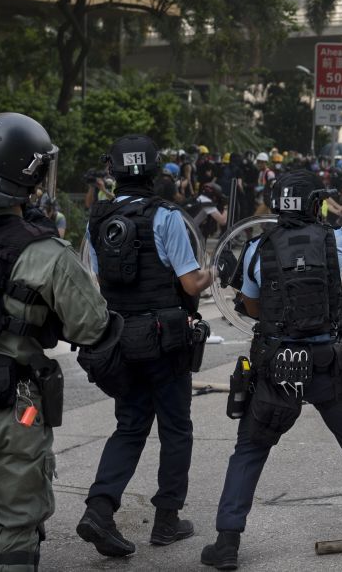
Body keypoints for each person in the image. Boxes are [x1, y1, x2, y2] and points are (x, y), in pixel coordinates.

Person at [202, 171, 342, 570]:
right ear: (313, 204)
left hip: (277, 367)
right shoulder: (334, 240)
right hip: (327, 362)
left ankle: (227, 543)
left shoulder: (258, 248)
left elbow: (250, 307)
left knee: (250, 450)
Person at [0, 112, 119, 571]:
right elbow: (93, 328)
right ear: (28, 175)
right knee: (15, 531)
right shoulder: (45, 253)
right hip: (13, 410)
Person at [80, 134, 214, 558]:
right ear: (155, 171)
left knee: (130, 426)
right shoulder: (167, 217)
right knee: (176, 429)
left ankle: (100, 508)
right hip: (166, 340)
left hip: (121, 341)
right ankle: (166, 520)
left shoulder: (97, 220)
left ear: (112, 172)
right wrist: (216, 270)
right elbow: (190, 282)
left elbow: (97, 284)